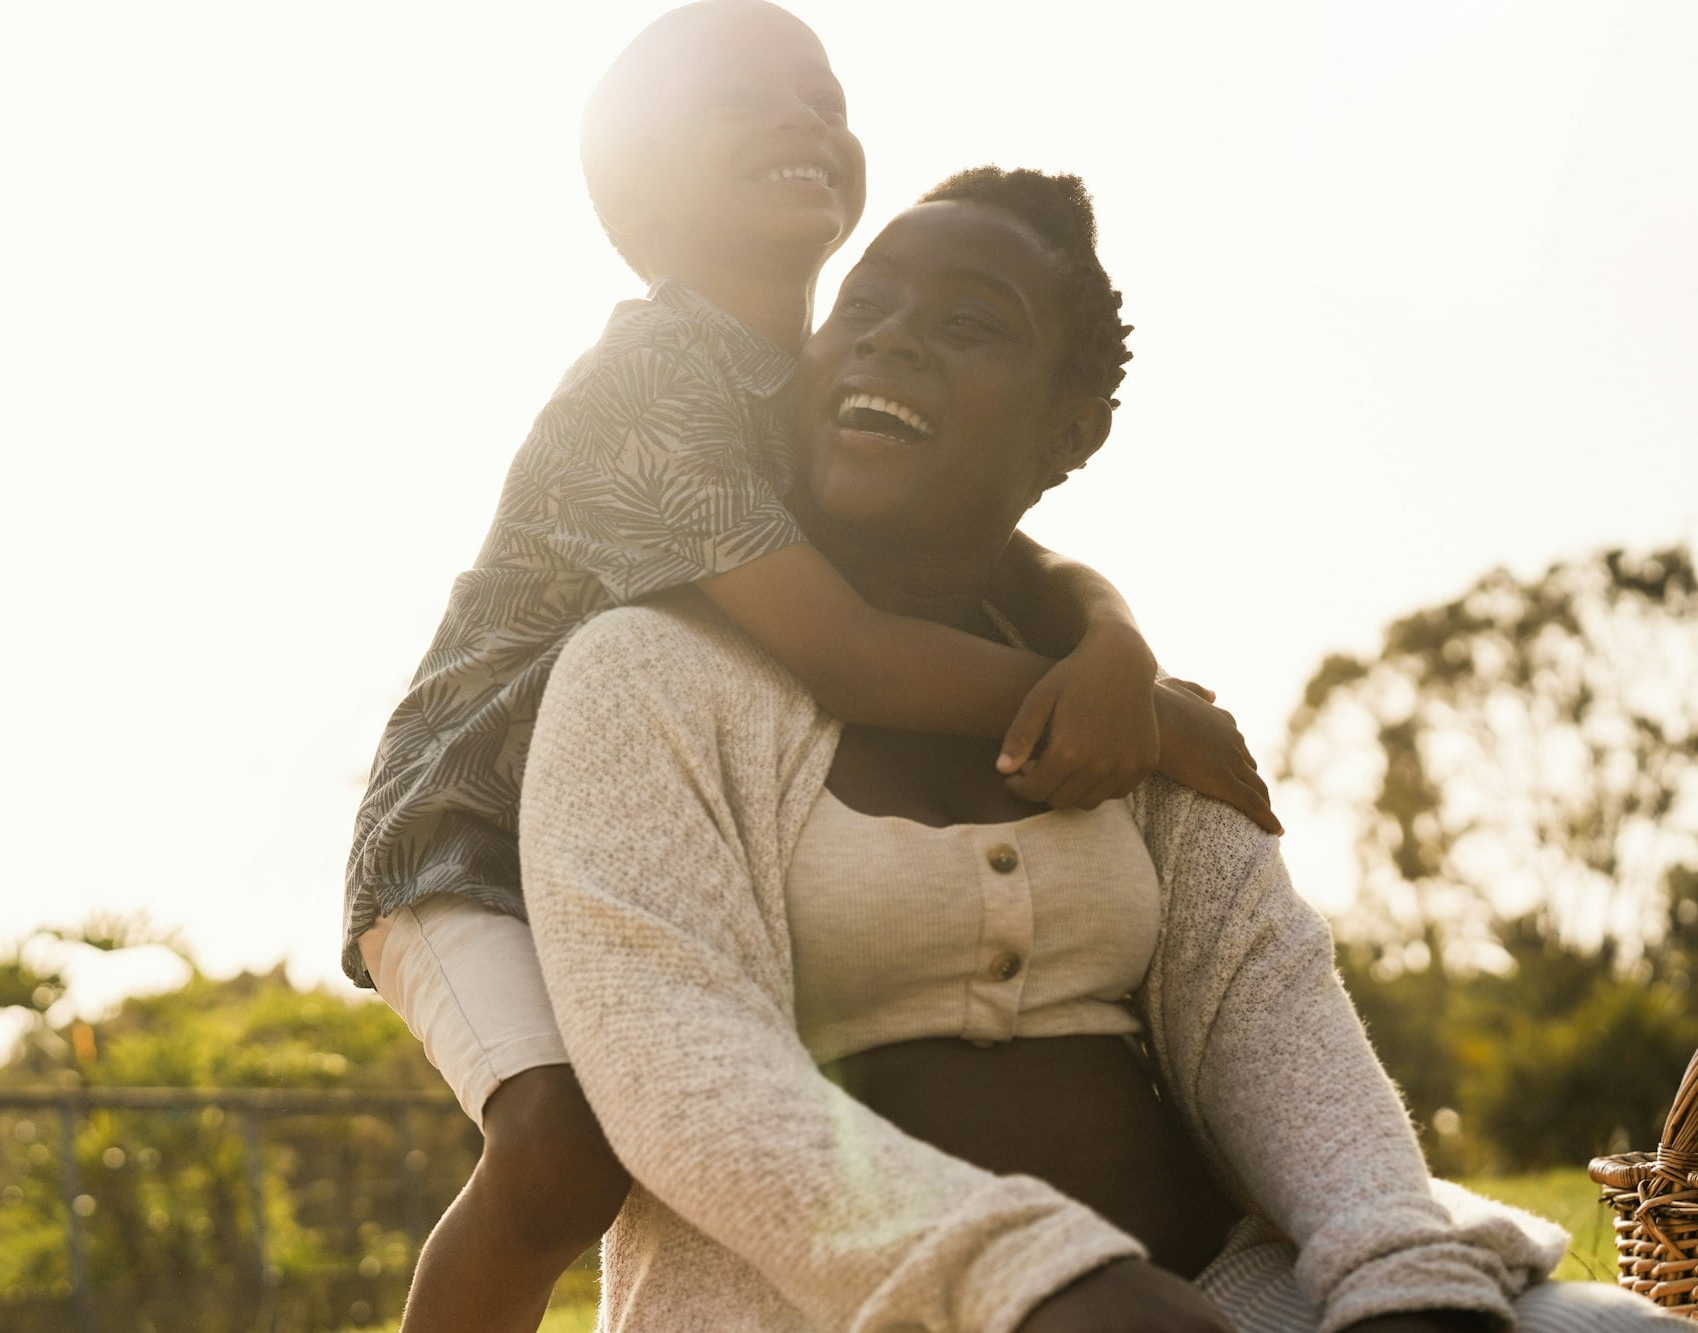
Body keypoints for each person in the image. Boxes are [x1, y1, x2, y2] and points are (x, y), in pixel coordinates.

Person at [520, 168, 1672, 1330]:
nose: (893, 340)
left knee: (1619, 1332)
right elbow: (684, 1073)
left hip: (1226, 1294)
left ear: (1071, 431)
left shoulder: (1131, 710)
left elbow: (1267, 1007)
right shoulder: (645, 675)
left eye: (967, 324)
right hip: (863, 1314)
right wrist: (1043, 1285)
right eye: (860, 308)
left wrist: (1393, 1277)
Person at [342, 5, 1276, 1328]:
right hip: (468, 832)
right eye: (743, 103)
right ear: (642, 187)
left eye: (824, 99)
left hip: (664, 826)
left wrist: (1119, 650)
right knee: (564, 1149)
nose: (804, 122)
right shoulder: (648, 385)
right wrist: (1145, 721)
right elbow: (844, 652)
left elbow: (1026, 568)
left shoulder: (817, 377)